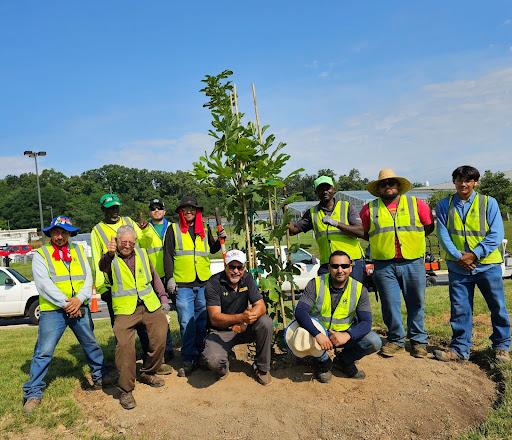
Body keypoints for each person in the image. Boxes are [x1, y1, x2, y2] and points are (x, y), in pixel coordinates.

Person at [23, 216, 105, 414]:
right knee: (44, 351)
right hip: (53, 311)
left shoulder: (78, 250)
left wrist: (79, 299)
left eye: (63, 232)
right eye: (56, 232)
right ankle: (33, 392)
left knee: (91, 344)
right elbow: (44, 285)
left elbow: (88, 277)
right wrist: (67, 303)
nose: (59, 236)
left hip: (79, 305)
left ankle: (100, 376)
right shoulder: (41, 254)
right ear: (50, 233)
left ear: (70, 233)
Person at [434, 165, 510, 363]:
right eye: (459, 180)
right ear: (454, 182)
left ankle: (502, 346)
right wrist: (460, 257)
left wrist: (474, 255)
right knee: (460, 308)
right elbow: (443, 234)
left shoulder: (489, 203)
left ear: (475, 182)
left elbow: (496, 235)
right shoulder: (444, 205)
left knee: (497, 306)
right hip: (458, 266)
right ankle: (460, 349)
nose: (463, 184)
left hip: (487, 265)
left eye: (468, 180)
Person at [91, 193, 171, 374]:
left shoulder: (128, 220)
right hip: (116, 287)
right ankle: (127, 368)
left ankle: (151, 364)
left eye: (116, 207)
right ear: (103, 209)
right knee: (124, 334)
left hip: (139, 285)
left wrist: (146, 229)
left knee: (147, 329)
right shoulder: (98, 230)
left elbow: (145, 242)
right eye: (110, 208)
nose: (114, 211)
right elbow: (98, 259)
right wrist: (103, 287)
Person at [360, 168, 434, 358]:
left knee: (416, 301)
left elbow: (428, 226)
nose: (388, 186)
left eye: (391, 183)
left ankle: (418, 341)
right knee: (389, 303)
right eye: (383, 184)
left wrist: (412, 242)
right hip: (384, 264)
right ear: (378, 188)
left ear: (398, 186)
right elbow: (366, 232)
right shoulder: (369, 209)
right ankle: (396, 340)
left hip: (413, 260)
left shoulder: (416, 204)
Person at [99, 225, 169, 409]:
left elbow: (155, 278)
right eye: (123, 242)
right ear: (116, 241)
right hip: (125, 310)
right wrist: (109, 254)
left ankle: (148, 371)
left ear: (135, 242)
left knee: (161, 334)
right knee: (124, 346)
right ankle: (126, 390)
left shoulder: (143, 254)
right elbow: (102, 267)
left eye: (131, 242)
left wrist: (163, 298)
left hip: (149, 304)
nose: (127, 245)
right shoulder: (111, 258)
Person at [291, 250, 381, 383]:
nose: (340, 270)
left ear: (351, 267)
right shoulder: (315, 283)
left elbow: (366, 322)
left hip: (344, 334)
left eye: (344, 266)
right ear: (328, 268)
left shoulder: (359, 289)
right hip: (319, 334)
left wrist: (347, 335)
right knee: (301, 332)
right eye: (335, 266)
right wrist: (318, 334)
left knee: (374, 341)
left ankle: (344, 361)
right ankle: (323, 362)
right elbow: (300, 312)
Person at [163, 196, 224, 375]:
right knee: (186, 321)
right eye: (185, 209)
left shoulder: (204, 228)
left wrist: (220, 240)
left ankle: (202, 355)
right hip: (183, 284)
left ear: (197, 211)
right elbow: (167, 255)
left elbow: (211, 249)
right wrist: (170, 278)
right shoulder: (173, 229)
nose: (188, 212)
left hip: (203, 282)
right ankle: (189, 358)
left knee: (202, 321)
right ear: (181, 212)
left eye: (192, 209)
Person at [202, 250, 273, 385]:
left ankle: (262, 368)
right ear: (225, 266)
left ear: (244, 268)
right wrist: (241, 318)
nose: (236, 271)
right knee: (213, 361)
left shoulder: (247, 278)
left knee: (266, 322)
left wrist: (248, 319)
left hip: (243, 328)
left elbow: (261, 306)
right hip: (220, 332)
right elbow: (215, 318)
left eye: (239, 267)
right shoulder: (213, 283)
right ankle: (224, 364)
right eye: (232, 267)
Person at [288, 175, 366, 281]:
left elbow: (360, 231)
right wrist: (285, 213)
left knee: (353, 295)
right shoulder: (312, 213)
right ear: (316, 192)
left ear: (334, 189)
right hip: (328, 264)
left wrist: (336, 223)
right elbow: (293, 230)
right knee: (326, 296)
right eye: (321, 189)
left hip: (352, 262)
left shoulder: (346, 206)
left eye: (327, 188)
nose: (325, 191)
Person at [138, 198, 174, 363]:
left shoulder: (173, 227)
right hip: (154, 277)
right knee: (159, 316)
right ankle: (165, 350)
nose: (156, 211)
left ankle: (184, 348)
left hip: (173, 274)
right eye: (153, 209)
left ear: (165, 211)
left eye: (159, 208)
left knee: (182, 313)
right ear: (149, 212)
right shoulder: (143, 229)